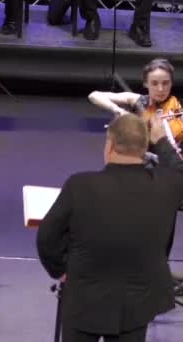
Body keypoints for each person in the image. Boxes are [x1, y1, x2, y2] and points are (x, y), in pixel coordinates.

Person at [37, 114, 183, 342]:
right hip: (138, 303)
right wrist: (162, 141)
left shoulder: (80, 185)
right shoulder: (167, 186)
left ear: (110, 146)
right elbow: (178, 171)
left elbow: (47, 238)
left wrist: (61, 270)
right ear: (145, 149)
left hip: (84, 300)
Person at [88, 58, 181, 149]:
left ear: (171, 83)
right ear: (146, 83)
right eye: (154, 83)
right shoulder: (137, 100)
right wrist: (118, 110)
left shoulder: (175, 104)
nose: (160, 89)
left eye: (165, 83)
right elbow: (94, 95)